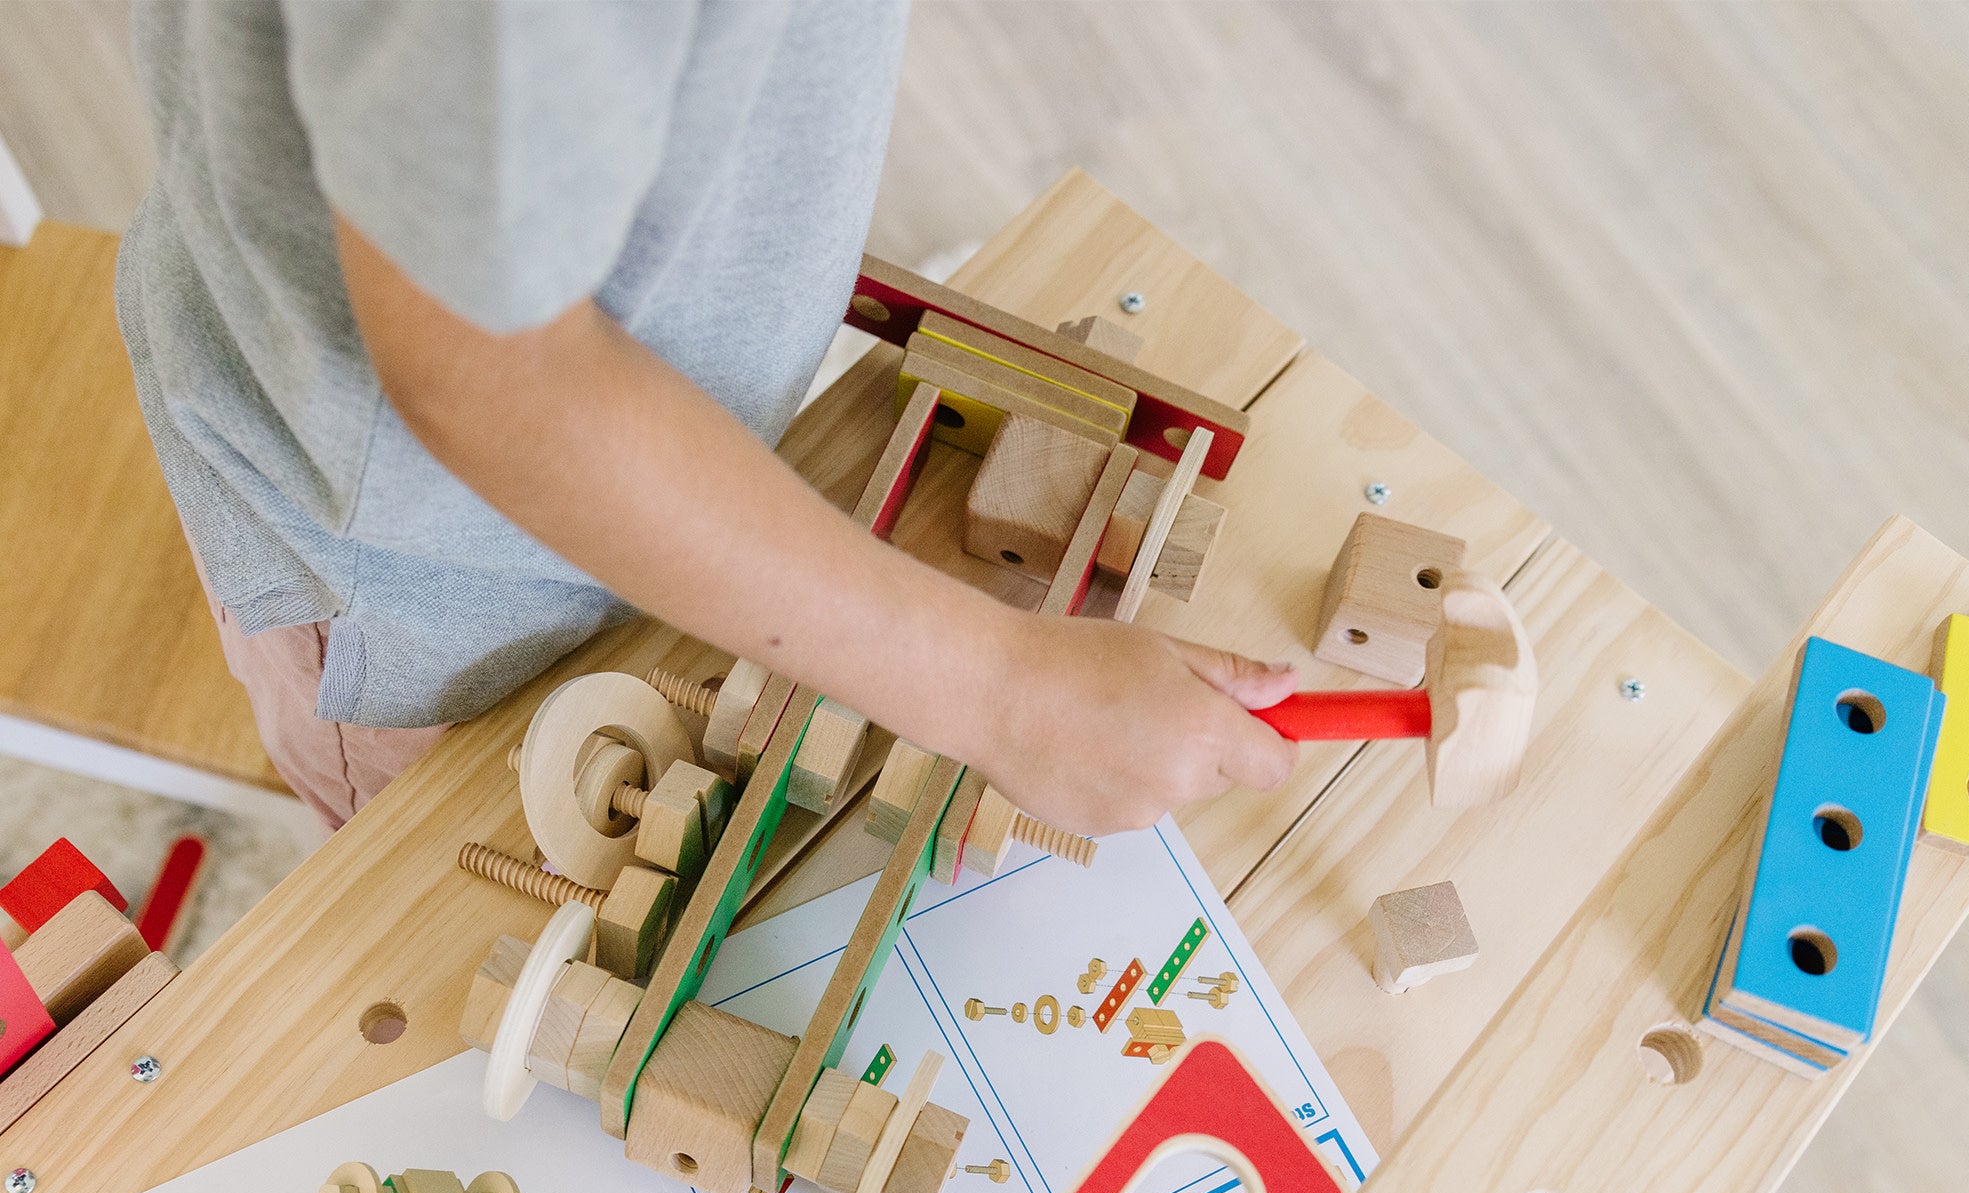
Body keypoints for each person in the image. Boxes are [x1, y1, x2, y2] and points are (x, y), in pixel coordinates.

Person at [118, 0, 1298, 830]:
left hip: (603, 450)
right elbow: (487, 374)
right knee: (428, 909)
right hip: (431, 587)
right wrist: (1000, 690)